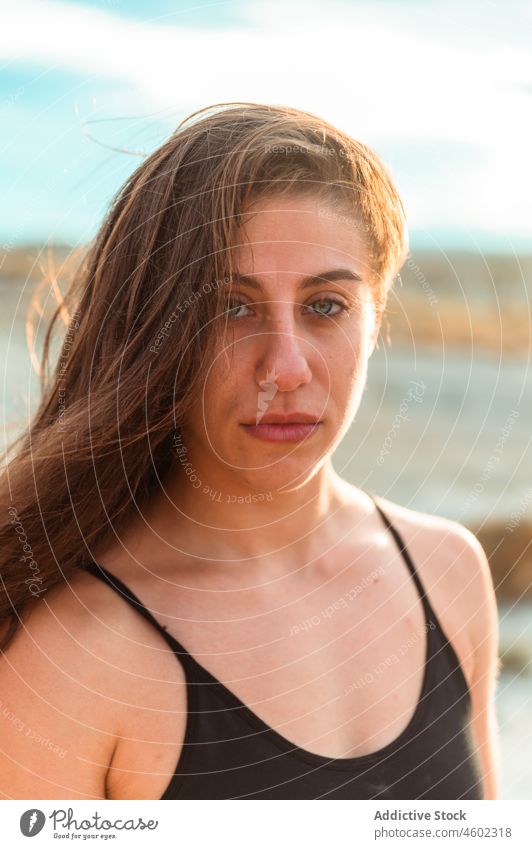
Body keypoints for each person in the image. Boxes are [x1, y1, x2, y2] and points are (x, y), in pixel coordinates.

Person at [0, 102, 499, 800]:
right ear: (155, 330)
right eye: (232, 306)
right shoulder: (75, 657)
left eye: (326, 306)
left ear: (376, 316)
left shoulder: (448, 572)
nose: (285, 367)